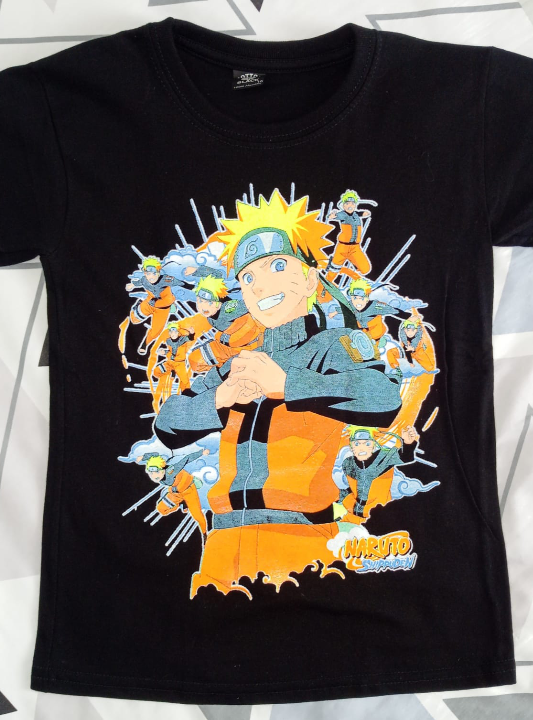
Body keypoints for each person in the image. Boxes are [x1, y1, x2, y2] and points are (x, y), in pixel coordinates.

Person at [153, 188, 403, 598]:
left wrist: (289, 386)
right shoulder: (237, 362)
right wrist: (219, 399)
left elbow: (384, 398)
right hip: (221, 544)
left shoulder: (333, 345)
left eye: (278, 265)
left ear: (309, 279)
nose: (260, 285)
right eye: (248, 277)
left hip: (300, 538)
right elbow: (167, 423)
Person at [336, 425, 419, 524]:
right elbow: (346, 490)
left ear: (373, 445)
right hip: (352, 517)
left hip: (379, 518)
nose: (361, 448)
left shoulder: (384, 458)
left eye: (367, 444)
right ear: (351, 446)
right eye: (357, 444)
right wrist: (346, 503)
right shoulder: (348, 463)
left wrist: (408, 444)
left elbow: (404, 457)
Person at [139, 449, 211, 538]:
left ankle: (204, 534)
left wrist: (201, 452)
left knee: (197, 515)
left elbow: (186, 459)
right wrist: (143, 457)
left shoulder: (172, 471)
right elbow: (156, 454)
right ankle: (181, 503)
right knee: (161, 509)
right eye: (151, 473)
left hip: (189, 490)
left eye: (157, 472)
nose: (154, 476)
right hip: (176, 493)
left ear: (163, 470)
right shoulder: (159, 476)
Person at [125, 256, 186, 355]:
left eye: (154, 273)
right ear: (145, 273)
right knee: (134, 320)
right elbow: (139, 282)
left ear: (158, 272)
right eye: (148, 273)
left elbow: (181, 283)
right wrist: (132, 285)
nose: (151, 276)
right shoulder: (144, 280)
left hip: (162, 309)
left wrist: (192, 287)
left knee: (155, 332)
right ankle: (138, 305)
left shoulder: (166, 279)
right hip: (149, 303)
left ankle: (145, 344)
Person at [325, 189, 372, 282]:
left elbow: (363, 213)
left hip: (355, 248)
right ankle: (326, 283)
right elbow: (332, 217)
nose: (350, 206)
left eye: (352, 204)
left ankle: (352, 263)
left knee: (366, 269)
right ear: (343, 205)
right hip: (342, 248)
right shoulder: (342, 215)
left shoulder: (356, 215)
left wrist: (366, 213)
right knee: (333, 271)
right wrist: (332, 215)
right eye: (347, 203)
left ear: (355, 205)